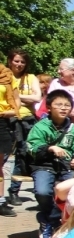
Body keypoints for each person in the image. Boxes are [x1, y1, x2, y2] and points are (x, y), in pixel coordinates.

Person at [27, 90, 74, 238]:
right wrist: (50, 148)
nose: (63, 108)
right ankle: (50, 219)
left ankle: (64, 223)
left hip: (65, 166)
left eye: (67, 105)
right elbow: (32, 147)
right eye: (59, 105)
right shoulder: (40, 127)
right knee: (43, 192)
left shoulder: (73, 129)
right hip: (43, 165)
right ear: (49, 107)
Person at [7, 50, 41, 207]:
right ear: (10, 61)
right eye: (16, 61)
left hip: (27, 120)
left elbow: (37, 97)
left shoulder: (31, 78)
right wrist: (26, 99)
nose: (19, 64)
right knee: (4, 156)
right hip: (7, 119)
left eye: (22, 61)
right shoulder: (4, 77)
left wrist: (15, 96)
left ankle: (14, 191)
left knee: (24, 154)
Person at [0, 65, 19, 218]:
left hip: (1, 121)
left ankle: (0, 202)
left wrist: (11, 112)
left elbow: (16, 102)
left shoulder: (6, 75)